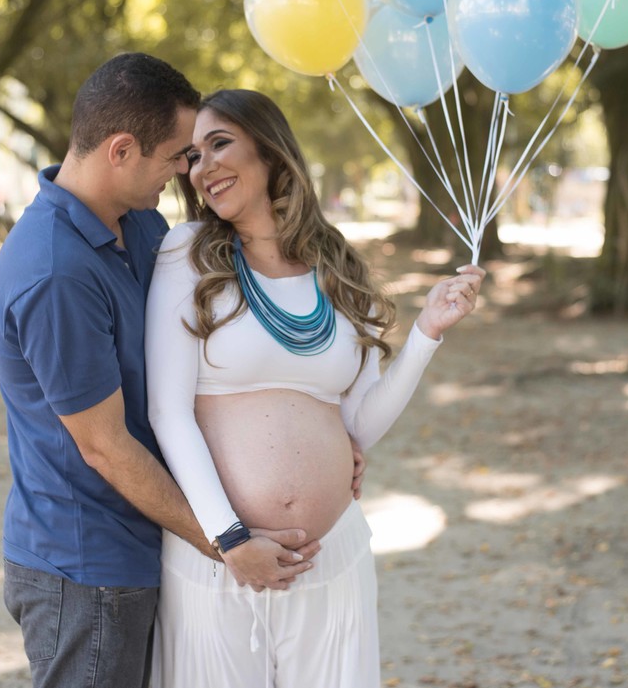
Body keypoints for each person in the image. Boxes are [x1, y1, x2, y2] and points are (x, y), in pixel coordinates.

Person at [0, 56, 324, 688]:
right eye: (176, 156)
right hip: (87, 568)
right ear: (121, 150)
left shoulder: (141, 225)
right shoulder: (54, 270)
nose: (186, 173)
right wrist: (226, 542)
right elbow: (105, 446)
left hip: (150, 544)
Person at [145, 89, 485, 687]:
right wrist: (230, 539)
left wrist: (427, 333)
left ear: (270, 151)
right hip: (220, 560)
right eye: (193, 156)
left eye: (220, 143)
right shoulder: (187, 255)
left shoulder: (339, 268)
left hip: (331, 559)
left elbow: (360, 425)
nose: (205, 167)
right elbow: (168, 413)